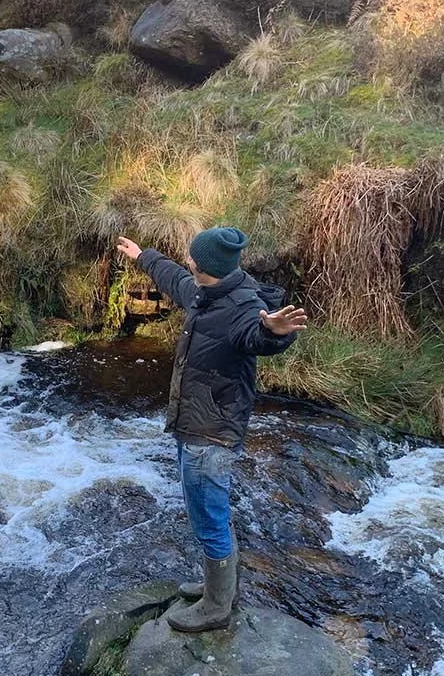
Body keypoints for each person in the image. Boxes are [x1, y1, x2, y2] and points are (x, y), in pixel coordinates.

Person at [116, 227, 307, 633]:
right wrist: (142, 255)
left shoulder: (242, 307)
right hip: (196, 425)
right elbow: (174, 279)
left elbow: (256, 336)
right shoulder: (207, 292)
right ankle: (217, 588)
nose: (188, 262)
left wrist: (274, 333)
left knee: (208, 517)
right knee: (208, 513)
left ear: (208, 268)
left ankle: (217, 607)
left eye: (193, 259)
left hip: (212, 432)